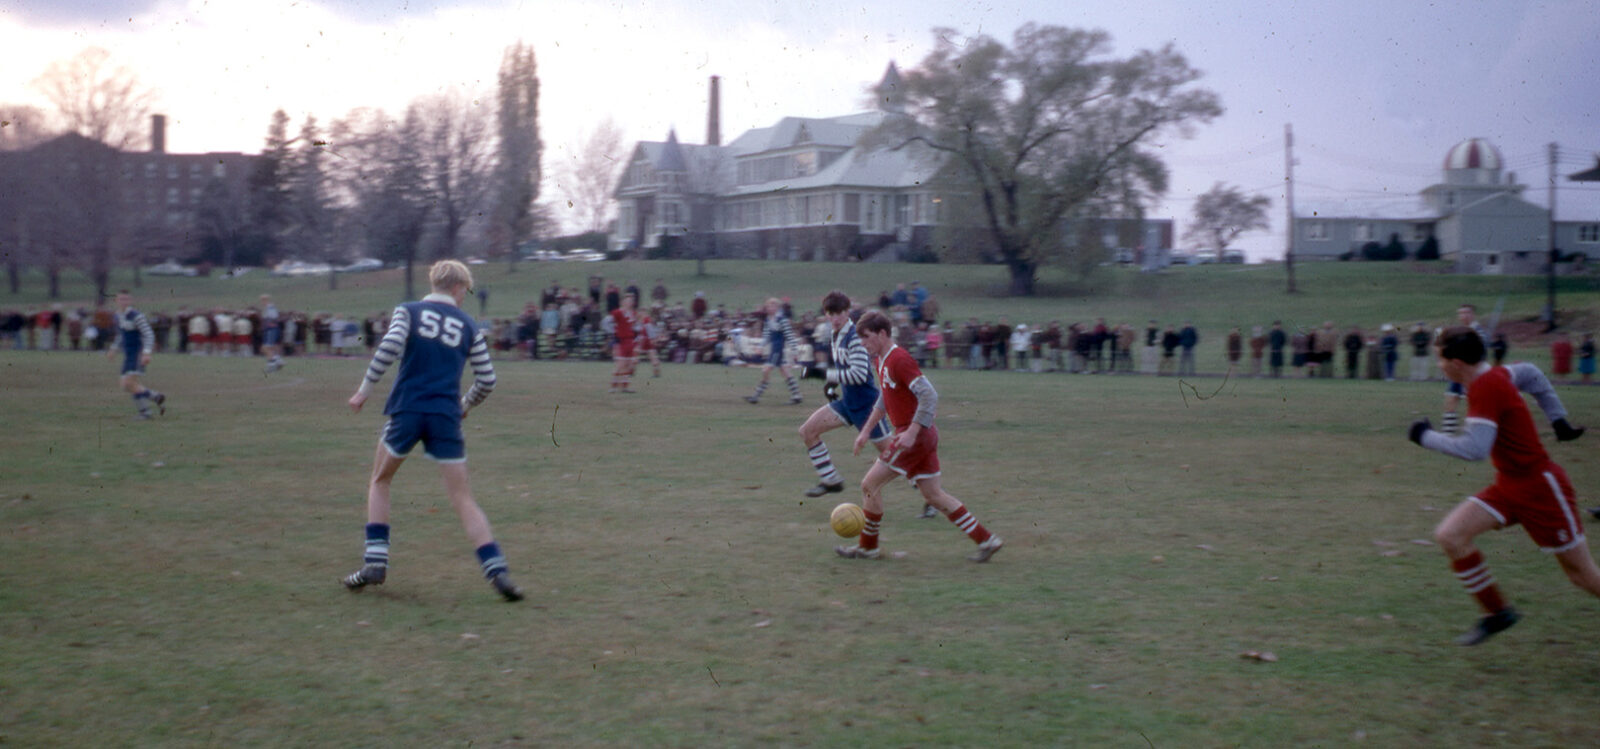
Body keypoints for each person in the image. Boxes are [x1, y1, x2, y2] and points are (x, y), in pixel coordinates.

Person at [342, 259, 523, 602]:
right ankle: (498, 572)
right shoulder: (469, 325)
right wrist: (464, 405)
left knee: (380, 480)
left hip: (407, 410)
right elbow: (487, 380)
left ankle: (375, 563)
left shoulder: (408, 311)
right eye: (465, 291)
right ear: (456, 288)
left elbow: (390, 347)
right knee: (462, 497)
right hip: (445, 416)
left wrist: (364, 390)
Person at [1407, 326, 1600, 645]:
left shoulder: (1486, 386)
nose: (1439, 366)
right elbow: (1533, 374)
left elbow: (1475, 449)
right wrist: (1559, 420)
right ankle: (1497, 613)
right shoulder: (1496, 376)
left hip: (1542, 490)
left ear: (1456, 362)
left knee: (1582, 575)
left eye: (1440, 360)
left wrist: (1425, 437)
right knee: (1450, 536)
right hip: (1509, 486)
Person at [836, 310, 1003, 562]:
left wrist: (912, 432)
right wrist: (867, 430)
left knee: (869, 485)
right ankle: (987, 540)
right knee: (933, 495)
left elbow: (929, 395)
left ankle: (868, 547)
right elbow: (884, 398)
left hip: (914, 437)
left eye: (867, 337)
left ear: (882, 334)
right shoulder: (880, 360)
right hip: (921, 436)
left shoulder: (898, 359)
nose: (863, 343)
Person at [797, 293, 895, 499]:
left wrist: (820, 374)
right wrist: (831, 385)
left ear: (847, 312)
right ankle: (831, 480)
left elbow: (859, 375)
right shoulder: (835, 333)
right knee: (808, 431)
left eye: (839, 313)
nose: (835, 318)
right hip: (848, 403)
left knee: (894, 458)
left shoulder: (854, 337)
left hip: (868, 407)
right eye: (830, 314)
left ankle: (929, 494)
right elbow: (843, 366)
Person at [108, 290, 166, 420]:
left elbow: (149, 334)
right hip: (128, 354)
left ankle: (145, 413)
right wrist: (114, 349)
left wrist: (146, 352)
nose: (124, 302)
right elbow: (120, 335)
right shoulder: (118, 315)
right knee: (125, 385)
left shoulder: (136, 316)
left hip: (137, 353)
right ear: (116, 301)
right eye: (121, 299)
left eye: (126, 299)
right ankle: (155, 396)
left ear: (130, 301)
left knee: (131, 383)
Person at [744, 297, 802, 405]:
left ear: (777, 307)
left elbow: (789, 335)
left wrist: (795, 350)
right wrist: (760, 346)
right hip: (774, 349)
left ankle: (756, 396)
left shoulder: (782, 319)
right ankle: (796, 395)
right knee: (785, 371)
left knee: (766, 370)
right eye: (768, 306)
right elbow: (767, 336)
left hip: (777, 349)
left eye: (772, 306)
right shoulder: (768, 319)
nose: (769, 308)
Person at [261, 294, 285, 373]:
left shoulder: (270, 307)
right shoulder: (269, 308)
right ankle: (278, 360)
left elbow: (272, 318)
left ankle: (272, 365)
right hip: (270, 330)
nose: (262, 302)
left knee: (267, 348)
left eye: (263, 300)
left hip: (271, 329)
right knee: (269, 347)